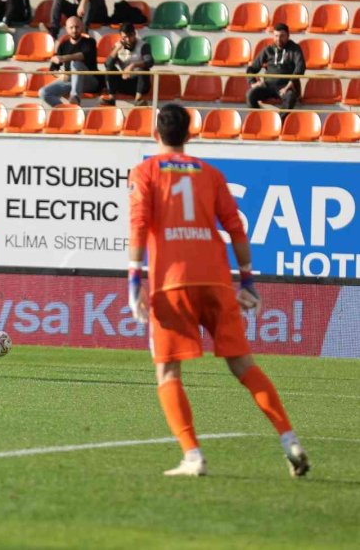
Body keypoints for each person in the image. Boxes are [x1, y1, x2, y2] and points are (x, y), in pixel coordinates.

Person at [127, 103, 310, 478]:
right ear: (190, 134)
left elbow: (139, 224)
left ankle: (192, 455)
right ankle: (289, 438)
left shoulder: (145, 171)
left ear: (155, 135)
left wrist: (134, 279)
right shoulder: (210, 173)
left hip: (172, 282)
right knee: (244, 365)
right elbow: (235, 229)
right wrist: (247, 280)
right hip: (215, 279)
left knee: (167, 372)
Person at [38, 16, 98, 107]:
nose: (74, 30)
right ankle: (66, 111)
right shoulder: (63, 45)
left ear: (82, 27)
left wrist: (63, 58)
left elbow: (82, 55)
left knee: (76, 64)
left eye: (77, 27)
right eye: (71, 27)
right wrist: (60, 75)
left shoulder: (90, 42)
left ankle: (75, 98)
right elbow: (53, 69)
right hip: (70, 80)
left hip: (89, 80)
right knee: (43, 92)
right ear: (66, 29)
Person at [245, 23, 305, 114]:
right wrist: (253, 83)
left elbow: (300, 67)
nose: (278, 39)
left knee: (290, 97)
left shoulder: (295, 49)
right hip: (268, 86)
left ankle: (278, 123)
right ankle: (260, 119)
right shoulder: (268, 50)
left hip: (286, 87)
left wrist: (289, 85)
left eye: (282, 36)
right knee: (250, 95)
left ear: (288, 36)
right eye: (276, 36)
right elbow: (252, 68)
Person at [103, 22, 153, 107]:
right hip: (124, 81)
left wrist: (133, 65)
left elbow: (149, 62)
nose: (128, 40)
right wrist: (117, 49)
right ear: (121, 37)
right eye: (125, 37)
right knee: (109, 70)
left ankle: (138, 100)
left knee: (144, 70)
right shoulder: (117, 46)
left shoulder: (143, 45)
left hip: (139, 83)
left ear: (134, 34)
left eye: (130, 36)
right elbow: (108, 64)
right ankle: (111, 98)